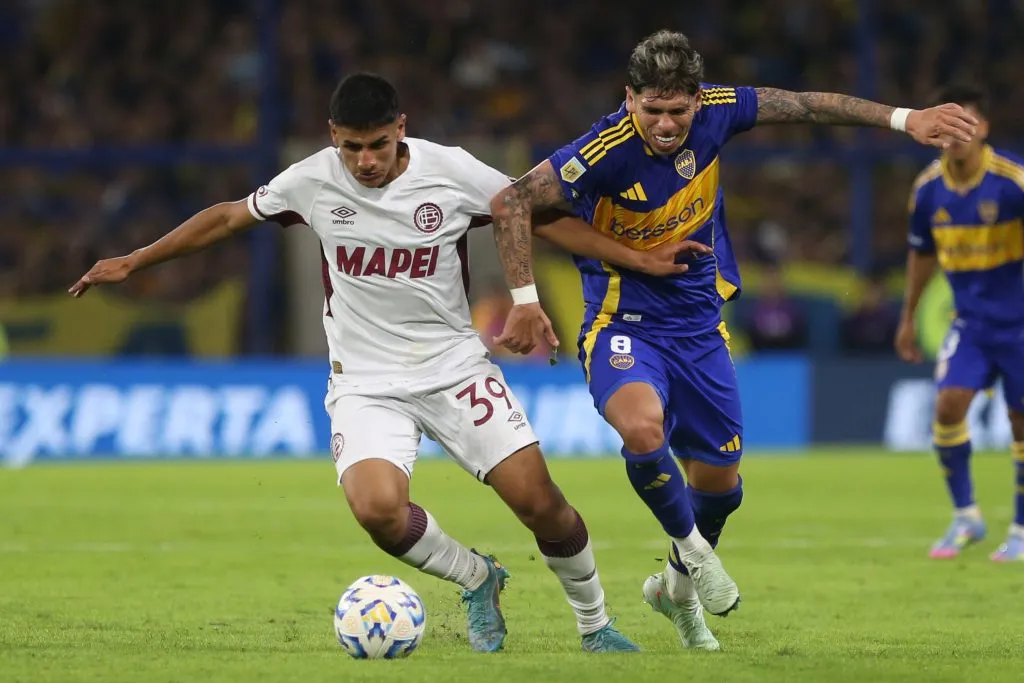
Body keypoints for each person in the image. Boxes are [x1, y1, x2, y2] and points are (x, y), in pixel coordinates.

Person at [68, 73, 704, 653]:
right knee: (376, 509)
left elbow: (534, 214)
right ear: (333, 140)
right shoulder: (312, 179)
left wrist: (636, 257)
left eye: (376, 145)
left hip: (455, 368)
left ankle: (595, 625)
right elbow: (230, 217)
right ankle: (478, 578)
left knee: (540, 504)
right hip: (365, 384)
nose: (364, 161)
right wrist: (136, 259)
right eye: (351, 148)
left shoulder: (451, 171)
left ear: (401, 129)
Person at [487, 30, 978, 651]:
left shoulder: (721, 111)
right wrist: (534, 298)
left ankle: (675, 590)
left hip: (699, 328)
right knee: (641, 431)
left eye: (677, 110)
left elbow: (806, 106)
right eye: (651, 109)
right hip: (623, 324)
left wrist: (905, 119)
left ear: (698, 99)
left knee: (721, 483)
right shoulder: (603, 150)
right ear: (628, 98)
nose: (665, 125)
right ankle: (695, 554)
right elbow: (513, 203)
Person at [895, 83, 1024, 562]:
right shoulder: (928, 190)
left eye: (965, 124)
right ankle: (967, 516)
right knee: (948, 407)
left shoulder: (1012, 181)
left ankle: (1022, 528)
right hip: (969, 324)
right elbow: (921, 256)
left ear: (983, 127)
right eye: (946, 126)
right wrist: (907, 317)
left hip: (1018, 324)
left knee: (1020, 421)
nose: (955, 135)